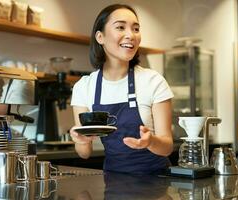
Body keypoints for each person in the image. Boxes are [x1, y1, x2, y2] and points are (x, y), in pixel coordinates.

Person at [70, 4, 174, 174]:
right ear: (100, 37)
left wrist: (150, 142)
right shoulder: (84, 87)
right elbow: (84, 153)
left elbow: (167, 146)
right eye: (120, 27)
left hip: (156, 183)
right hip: (113, 182)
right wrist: (81, 141)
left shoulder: (153, 81)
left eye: (136, 29)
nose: (130, 35)